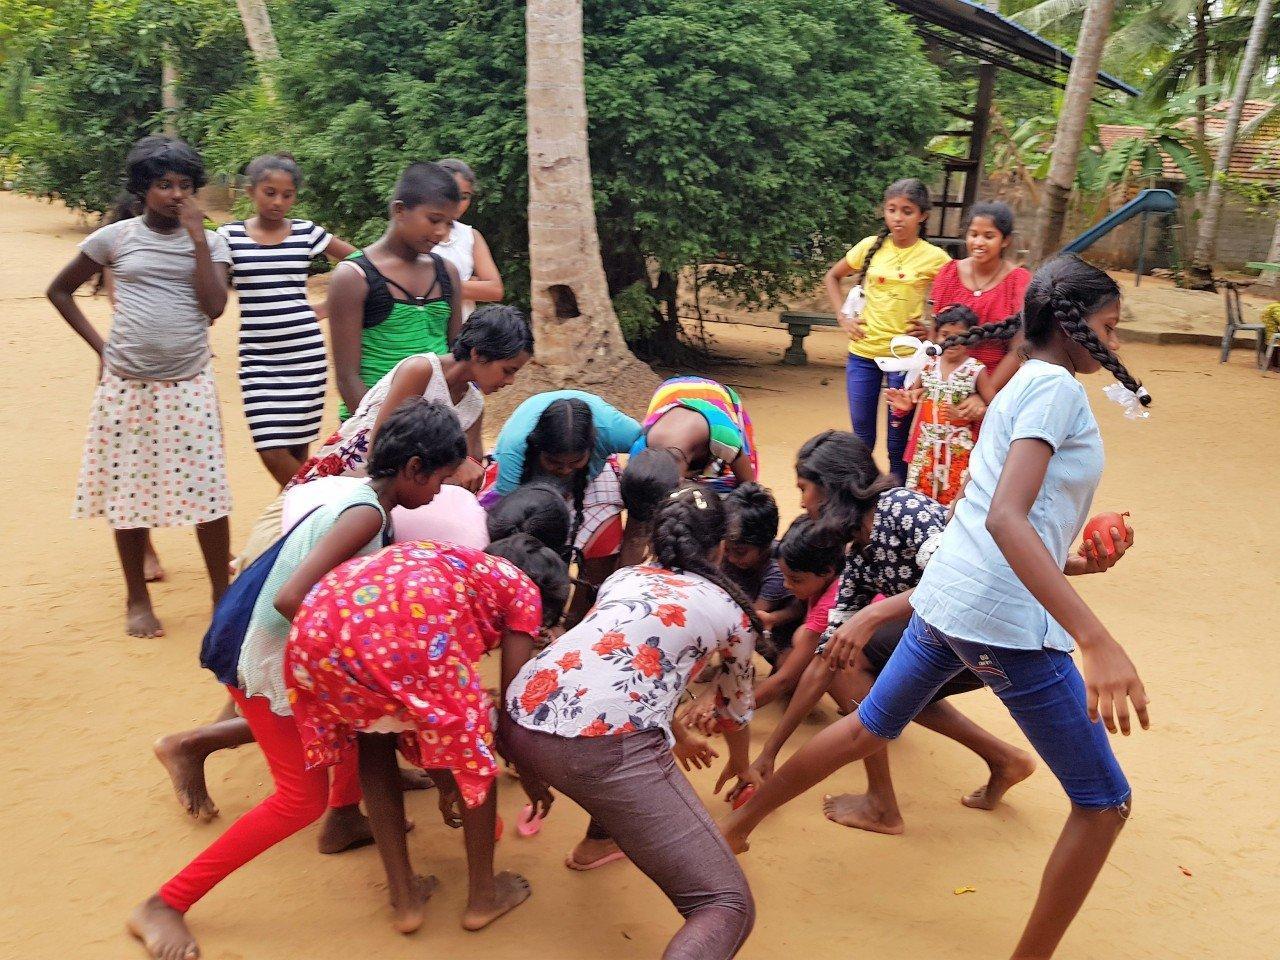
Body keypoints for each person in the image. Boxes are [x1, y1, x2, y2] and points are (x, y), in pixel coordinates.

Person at [723, 256, 1151, 960]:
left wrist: (1075, 561)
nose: (1115, 343)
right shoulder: (1053, 390)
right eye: (1109, 328)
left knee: (868, 726)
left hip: (951, 597)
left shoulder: (1021, 380)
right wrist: (1095, 638)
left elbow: (999, 517)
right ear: (1071, 324)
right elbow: (1006, 519)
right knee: (1106, 803)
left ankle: (733, 832)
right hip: (1001, 619)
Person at [127, 399, 469, 960]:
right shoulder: (365, 517)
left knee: (363, 723)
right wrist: (360, 661)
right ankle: (165, 903)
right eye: (438, 479)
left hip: (280, 652)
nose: (439, 493)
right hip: (267, 661)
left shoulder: (361, 498)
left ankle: (345, 820)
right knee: (298, 799)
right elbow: (292, 599)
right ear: (413, 468)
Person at [722, 430, 1032, 836]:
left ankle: (882, 804)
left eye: (804, 489)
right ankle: (1003, 759)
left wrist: (871, 616)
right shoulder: (859, 551)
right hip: (954, 640)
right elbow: (824, 660)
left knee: (856, 667)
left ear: (831, 488)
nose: (802, 502)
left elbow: (957, 579)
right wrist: (769, 751)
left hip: (993, 630)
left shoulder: (901, 508)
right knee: (863, 672)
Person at [504, 487, 760, 960]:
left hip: (521, 719)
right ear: (721, 547)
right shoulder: (731, 612)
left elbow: (615, 675)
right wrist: (743, 766)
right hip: (600, 751)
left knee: (623, 755)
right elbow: (736, 709)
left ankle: (595, 845)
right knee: (726, 905)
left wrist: (673, 732)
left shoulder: (623, 578)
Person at [285, 535, 570, 934]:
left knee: (374, 743)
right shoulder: (523, 588)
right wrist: (531, 775)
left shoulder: (455, 563)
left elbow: (415, 710)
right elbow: (511, 710)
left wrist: (443, 780)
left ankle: (405, 901)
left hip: (315, 636)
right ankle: (483, 897)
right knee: (475, 753)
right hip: (393, 638)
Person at [47, 135, 233, 638]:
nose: (176, 194)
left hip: (190, 383)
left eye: (185, 185)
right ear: (142, 189)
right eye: (163, 184)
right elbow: (59, 290)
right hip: (127, 386)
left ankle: (222, 595)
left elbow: (215, 307)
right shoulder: (115, 238)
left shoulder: (213, 243)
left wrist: (198, 240)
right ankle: (137, 597)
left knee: (208, 491)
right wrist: (102, 349)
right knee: (128, 490)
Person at [231, 305, 531, 573]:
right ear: (478, 354)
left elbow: (470, 470)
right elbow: (381, 449)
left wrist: (466, 466)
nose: (510, 382)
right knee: (283, 542)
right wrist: (456, 465)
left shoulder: (473, 406)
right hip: (351, 471)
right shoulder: (421, 370)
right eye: (508, 371)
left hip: (400, 495)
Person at [216, 154, 356, 486]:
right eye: (270, 193)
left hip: (305, 358)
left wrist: (329, 306)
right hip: (258, 359)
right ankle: (318, 500)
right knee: (270, 450)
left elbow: (361, 261)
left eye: (287, 195)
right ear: (250, 191)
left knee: (296, 450)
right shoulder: (228, 236)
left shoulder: (306, 232)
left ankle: (297, 516)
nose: (278, 202)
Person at [823, 178, 951, 482]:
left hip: (905, 359)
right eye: (892, 209)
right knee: (862, 440)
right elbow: (833, 276)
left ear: (922, 216)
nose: (898, 217)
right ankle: (862, 497)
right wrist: (843, 318)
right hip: (862, 354)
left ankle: (897, 497)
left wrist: (932, 330)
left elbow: (955, 295)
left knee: (898, 443)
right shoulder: (869, 246)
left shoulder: (934, 257)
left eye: (907, 211)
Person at [481, 391, 641, 617]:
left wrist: (637, 512)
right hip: (528, 484)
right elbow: (508, 523)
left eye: (575, 461)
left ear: (592, 447)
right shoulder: (514, 449)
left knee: (605, 544)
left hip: (589, 481)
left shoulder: (615, 431)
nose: (565, 470)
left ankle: (577, 620)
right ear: (539, 449)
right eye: (554, 463)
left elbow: (649, 448)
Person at [328, 161, 464, 420]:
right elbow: (347, 377)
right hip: (371, 425)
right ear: (399, 210)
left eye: (449, 224)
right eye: (434, 220)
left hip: (436, 425)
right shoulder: (354, 277)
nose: (441, 232)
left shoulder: (447, 273)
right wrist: (381, 432)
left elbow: (456, 354)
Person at [888, 304, 994, 505]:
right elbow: (912, 396)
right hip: (925, 448)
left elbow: (996, 409)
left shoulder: (975, 370)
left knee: (954, 502)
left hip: (959, 450)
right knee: (920, 501)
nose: (951, 341)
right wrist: (905, 405)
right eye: (945, 335)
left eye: (959, 336)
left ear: (971, 338)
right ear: (936, 336)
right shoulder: (928, 365)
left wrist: (970, 414)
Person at [928, 200, 1031, 397]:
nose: (979, 242)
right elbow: (936, 333)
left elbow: (1019, 348)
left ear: (1005, 240)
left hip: (995, 387)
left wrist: (984, 394)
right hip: (947, 384)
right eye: (973, 234)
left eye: (989, 236)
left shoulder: (1018, 282)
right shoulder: (949, 273)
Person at [749, 516, 843, 708]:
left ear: (827, 571)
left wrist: (733, 709)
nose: (786, 585)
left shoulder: (830, 605)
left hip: (879, 664)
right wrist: (773, 618)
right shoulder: (825, 580)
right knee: (798, 646)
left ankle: (862, 709)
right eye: (785, 577)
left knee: (808, 644)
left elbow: (785, 680)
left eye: (795, 580)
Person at [629, 376, 757, 493]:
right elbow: (635, 500)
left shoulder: (723, 434)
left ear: (681, 480)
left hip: (711, 394)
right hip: (668, 395)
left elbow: (750, 490)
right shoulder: (641, 448)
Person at [720, 483, 803, 661]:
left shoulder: (777, 570)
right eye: (726, 549)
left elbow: (749, 619)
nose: (731, 558)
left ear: (765, 545)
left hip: (783, 638)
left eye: (740, 552)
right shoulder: (731, 555)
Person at [433, 158, 504, 321]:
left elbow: (495, 290)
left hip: (464, 329)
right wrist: (470, 284)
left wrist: (441, 284)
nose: (459, 203)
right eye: (453, 195)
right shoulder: (417, 235)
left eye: (465, 197)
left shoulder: (470, 236)